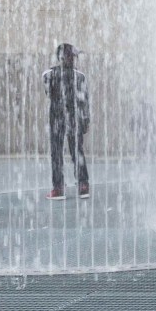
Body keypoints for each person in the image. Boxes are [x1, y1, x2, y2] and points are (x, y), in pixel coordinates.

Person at [43, 42, 92, 200]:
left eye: (74, 56)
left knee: (69, 151)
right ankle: (77, 185)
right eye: (71, 56)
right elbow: (84, 100)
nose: (74, 59)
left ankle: (67, 187)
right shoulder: (75, 76)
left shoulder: (50, 74)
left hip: (64, 117)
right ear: (63, 57)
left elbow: (84, 100)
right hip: (67, 117)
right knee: (68, 151)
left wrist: (85, 119)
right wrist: (85, 119)